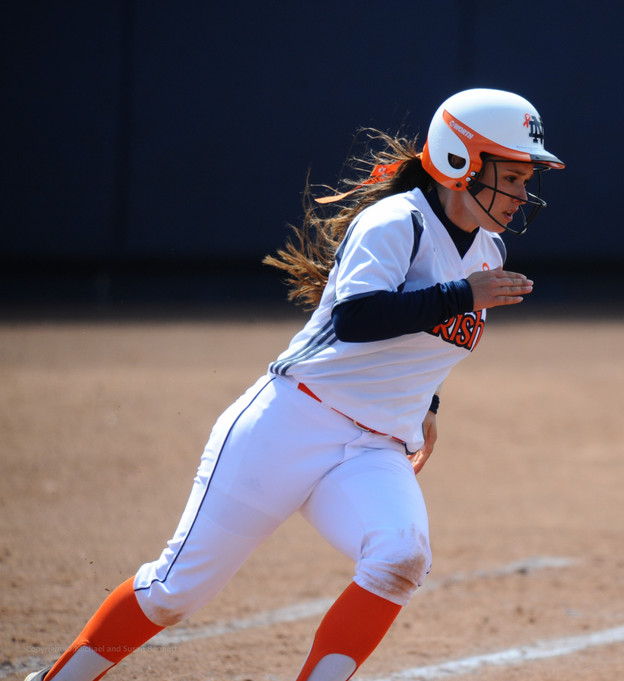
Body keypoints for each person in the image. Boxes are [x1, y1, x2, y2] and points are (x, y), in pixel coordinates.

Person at [25, 87, 564, 681]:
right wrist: (463, 294)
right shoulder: (395, 222)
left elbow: (427, 339)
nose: (521, 193)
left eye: (524, 177)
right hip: (291, 423)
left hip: (374, 446)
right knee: (174, 593)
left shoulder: (488, 249)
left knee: (400, 558)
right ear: (461, 162)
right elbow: (354, 321)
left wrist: (427, 402)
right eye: (510, 176)